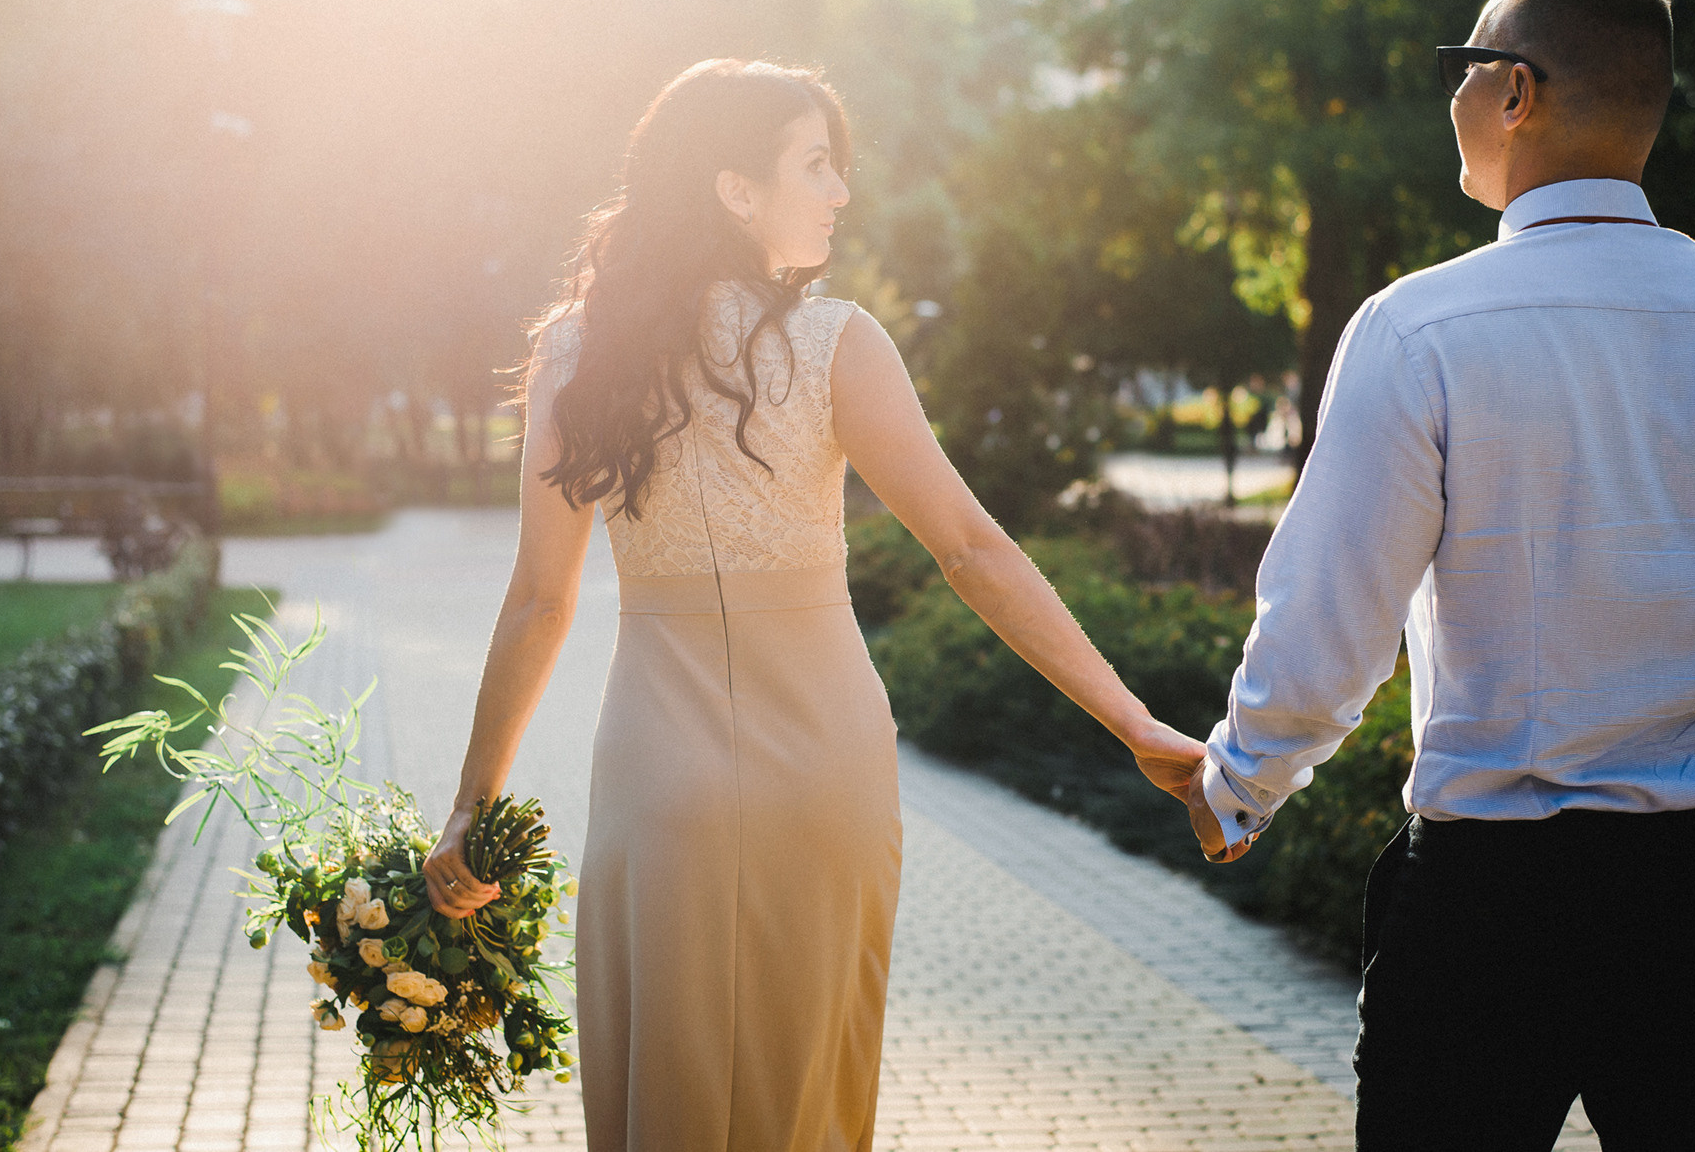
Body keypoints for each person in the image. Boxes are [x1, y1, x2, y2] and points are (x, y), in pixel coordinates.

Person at [418, 58, 1209, 1151]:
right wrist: (1131, 721)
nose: (840, 191)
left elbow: (539, 603)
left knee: (667, 1092)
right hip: (825, 769)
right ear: (734, 188)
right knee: (809, 1101)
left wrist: (471, 805)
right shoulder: (839, 342)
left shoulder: (573, 355)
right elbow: (972, 551)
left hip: (657, 770)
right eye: (816, 164)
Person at [1184, 0, 1695, 1148]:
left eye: (1461, 63)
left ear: (1513, 91)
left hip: (1493, 906)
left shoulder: (1418, 328)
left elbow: (1334, 619)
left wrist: (1239, 782)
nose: (1447, 95)